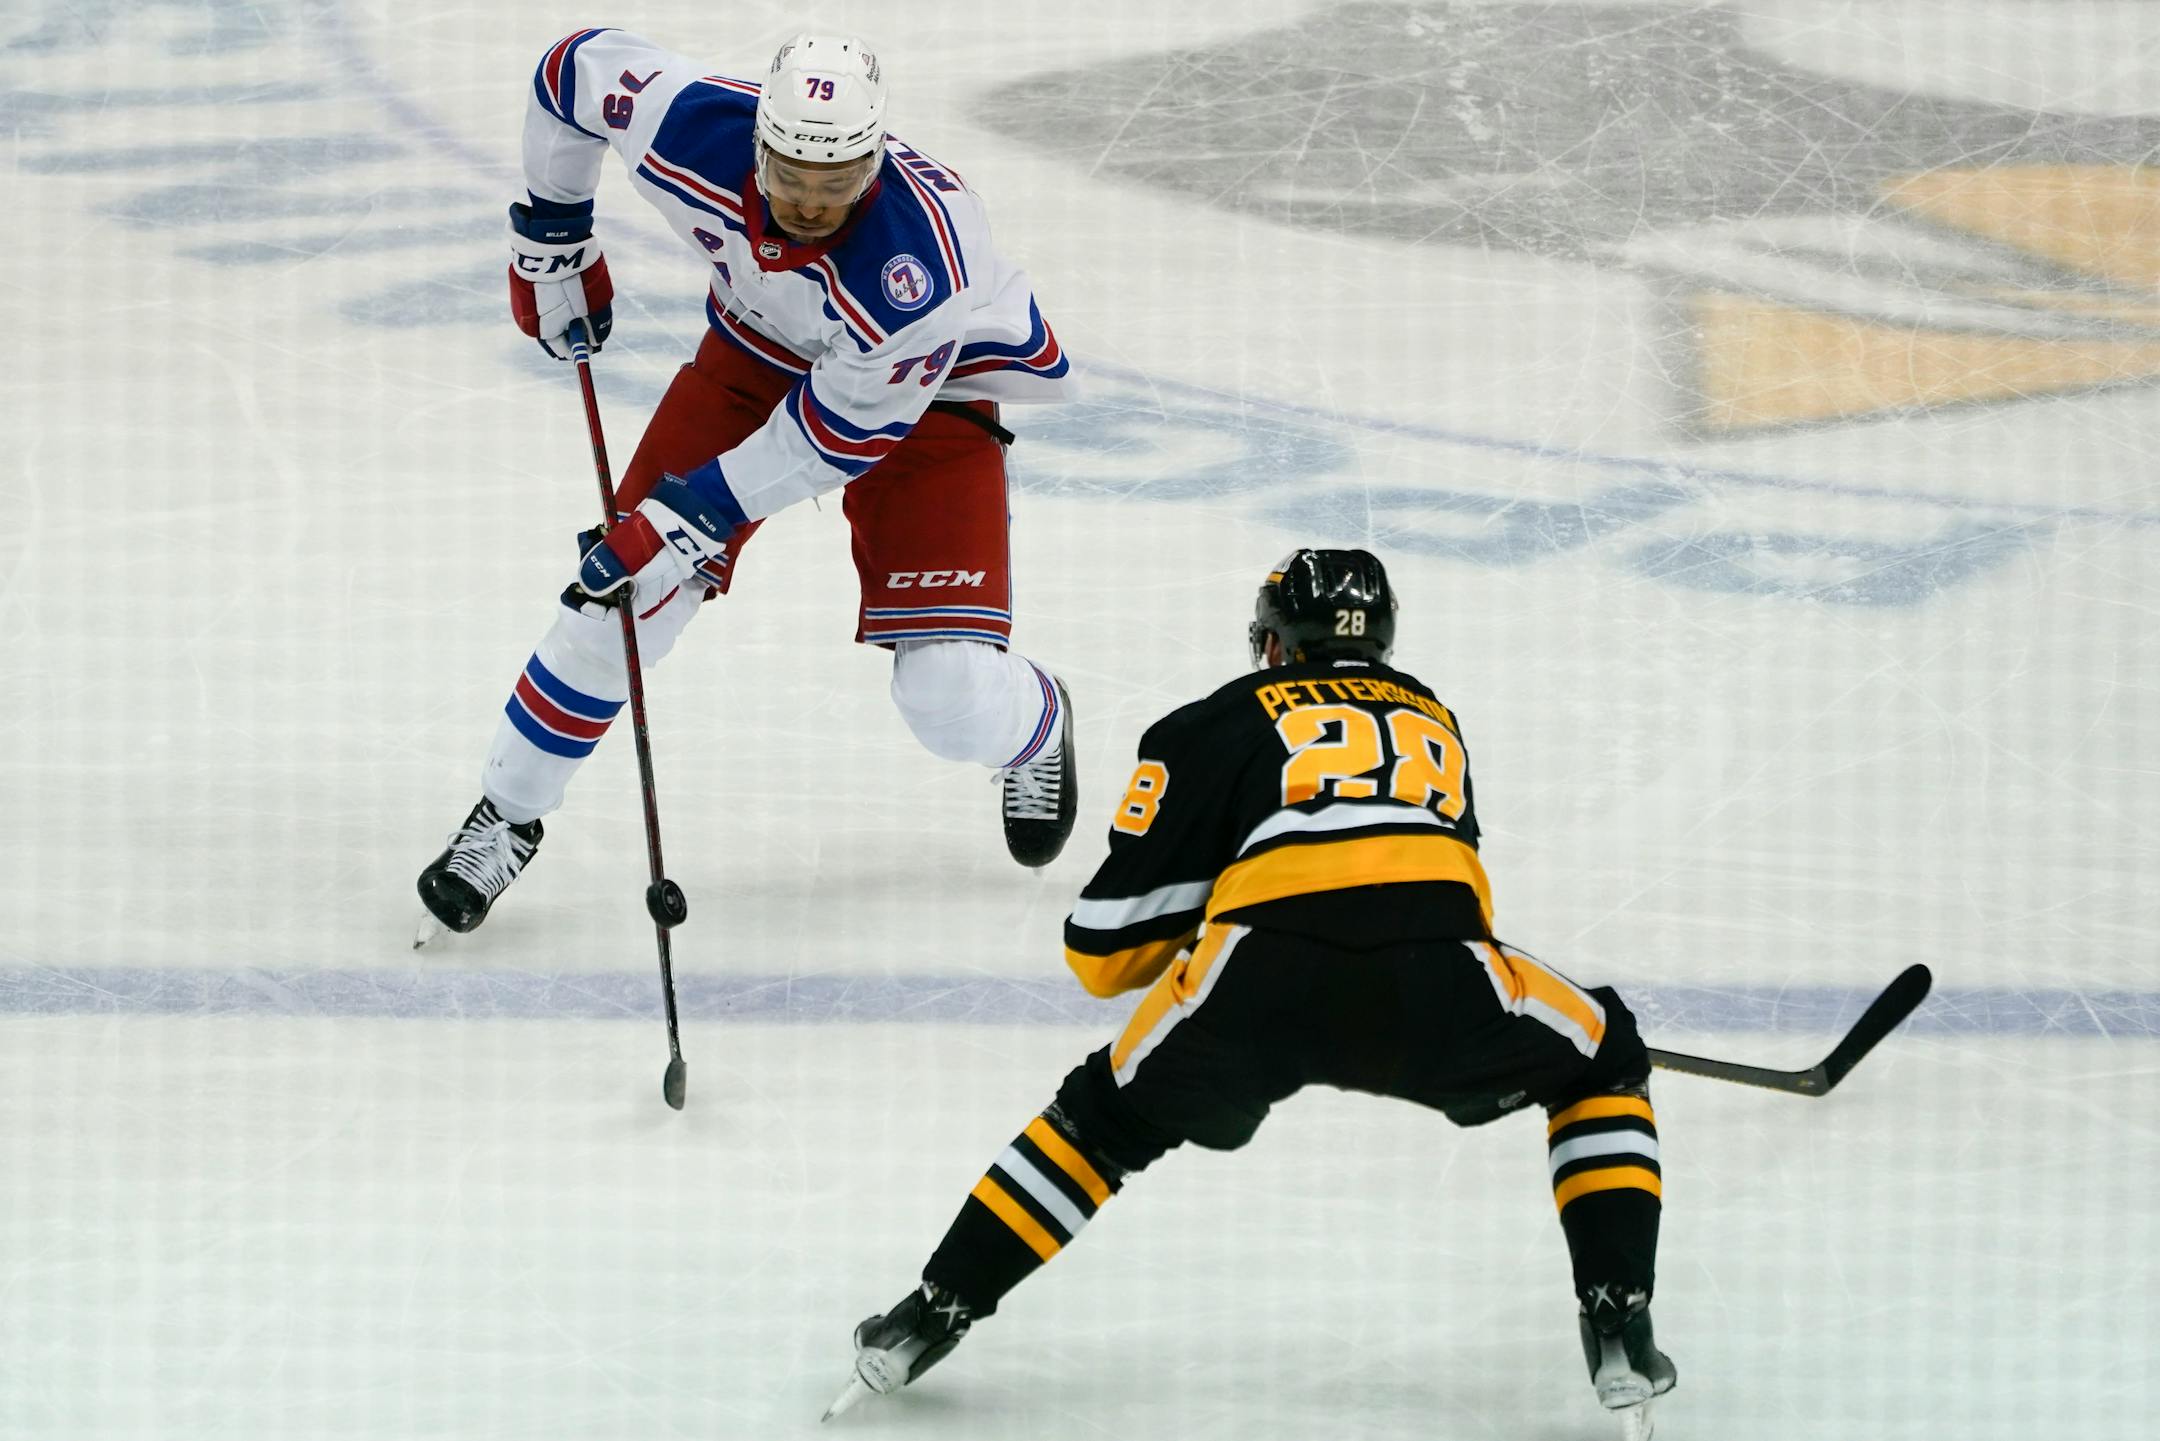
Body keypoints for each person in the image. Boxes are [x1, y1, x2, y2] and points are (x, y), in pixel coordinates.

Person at [824, 550, 1677, 1437]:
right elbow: (1444, 889)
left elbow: (1105, 954)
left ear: (1271, 642)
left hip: (1259, 976)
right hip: (1441, 975)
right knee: (1603, 1058)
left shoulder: (1217, 720)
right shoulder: (1436, 718)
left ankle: (932, 1312)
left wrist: (1215, 908)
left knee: (1101, 1123)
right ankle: (1617, 1317)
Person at [417, 29, 1079, 939]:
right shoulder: (697, 128)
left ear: (875, 160)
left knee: (946, 696)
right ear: (758, 140)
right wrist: (552, 233)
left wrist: (680, 515)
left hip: (928, 398)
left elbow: (827, 440)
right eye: (789, 173)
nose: (808, 202)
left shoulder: (914, 278)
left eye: (837, 181)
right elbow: (571, 70)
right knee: (617, 598)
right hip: (755, 352)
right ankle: (506, 812)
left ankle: (1035, 724)